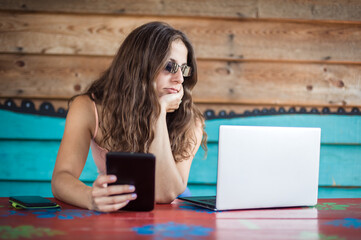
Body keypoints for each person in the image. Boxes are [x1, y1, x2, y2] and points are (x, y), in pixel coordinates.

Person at [51, 22, 207, 212]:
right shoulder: (89, 108)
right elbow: (61, 177)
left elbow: (166, 195)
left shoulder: (190, 121)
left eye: (183, 69)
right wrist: (89, 197)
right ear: (139, 65)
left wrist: (157, 112)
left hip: (174, 212)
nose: (180, 79)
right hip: (120, 205)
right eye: (169, 66)